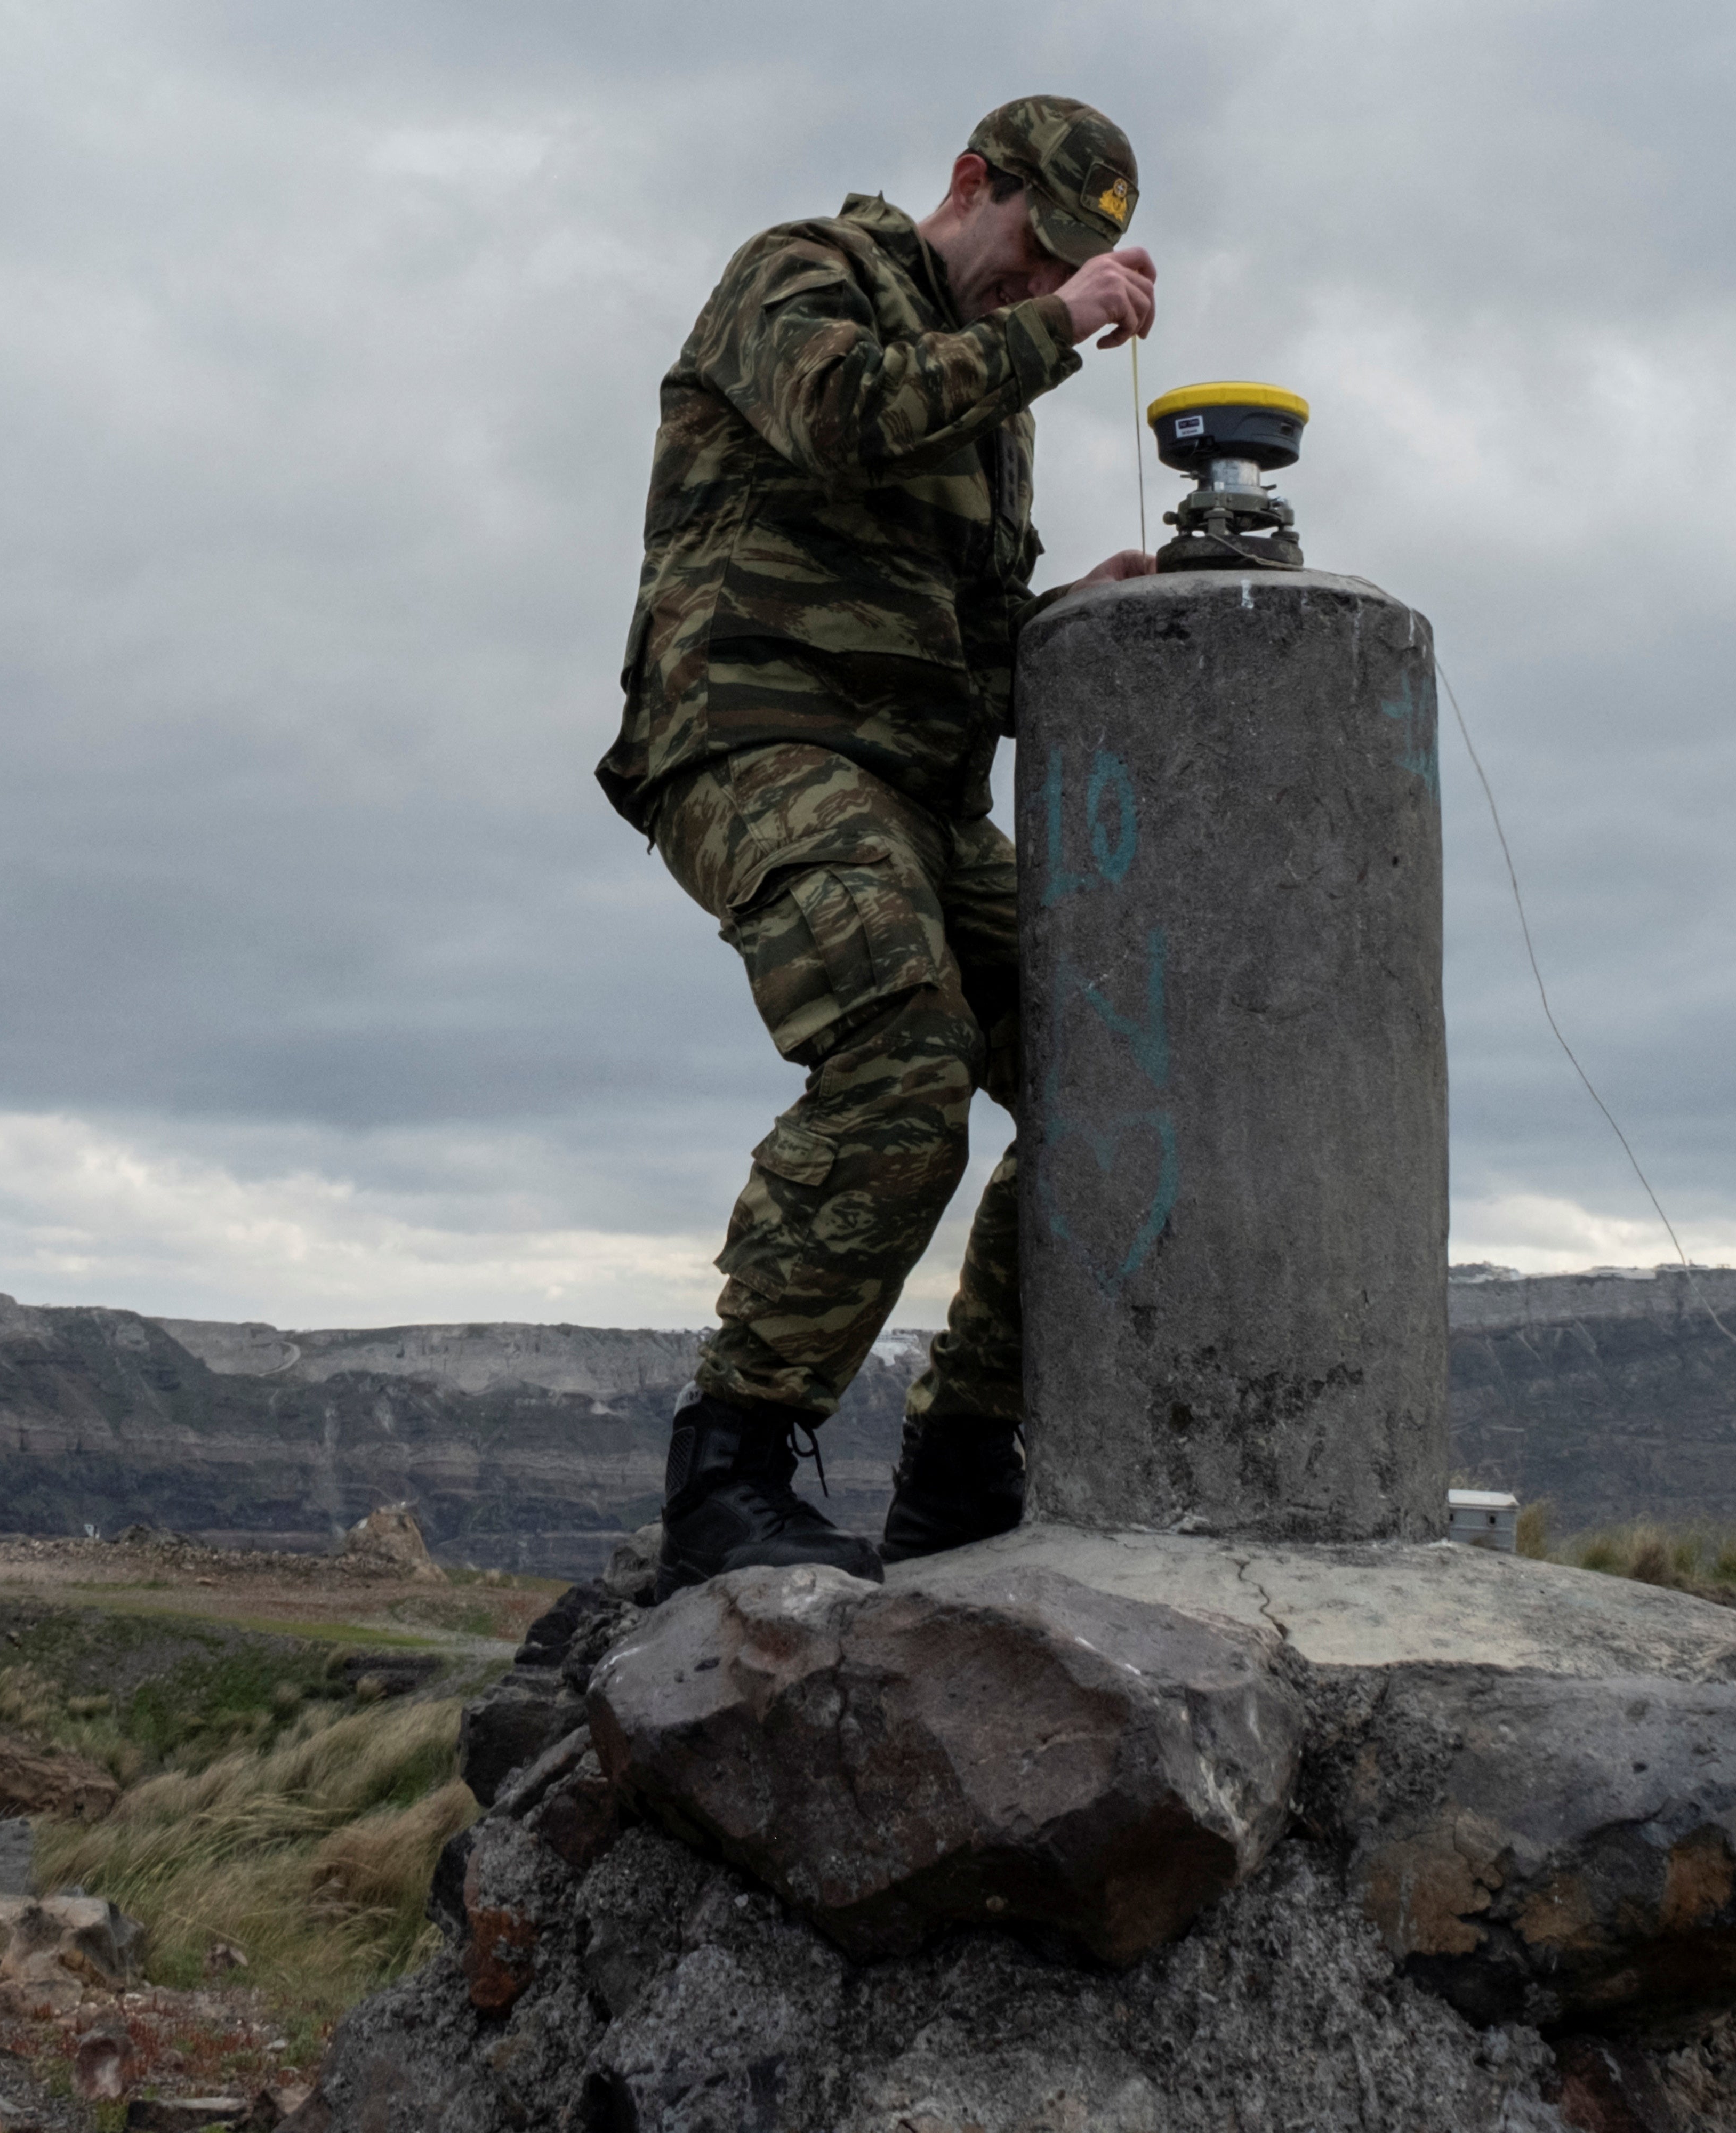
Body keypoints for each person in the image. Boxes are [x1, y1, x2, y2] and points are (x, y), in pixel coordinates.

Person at [596, 97, 1159, 1595]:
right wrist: (1058, 333)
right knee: (903, 1051)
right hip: (754, 744)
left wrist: (1081, 628)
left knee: (1116, 1068)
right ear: (972, 185)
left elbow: (980, 656)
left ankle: (964, 1473)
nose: (1039, 298)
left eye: (1066, 285)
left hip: (917, 792)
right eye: (1034, 259)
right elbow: (845, 415)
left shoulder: (996, 415)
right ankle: (727, 1469)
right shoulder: (801, 275)